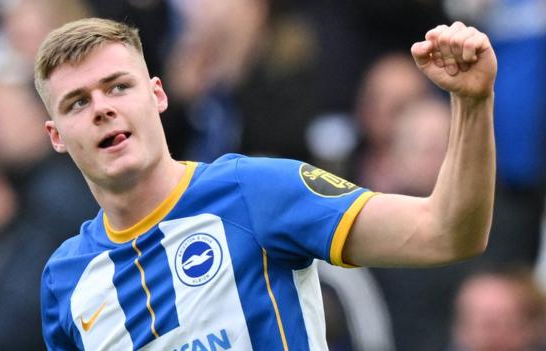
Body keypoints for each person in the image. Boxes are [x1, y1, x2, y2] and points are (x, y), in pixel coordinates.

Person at [35, 18, 497, 350]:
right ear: (56, 136)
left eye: (118, 87)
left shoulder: (253, 190)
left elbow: (446, 233)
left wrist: (472, 104)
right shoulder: (66, 282)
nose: (101, 108)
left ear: (157, 94)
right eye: (77, 103)